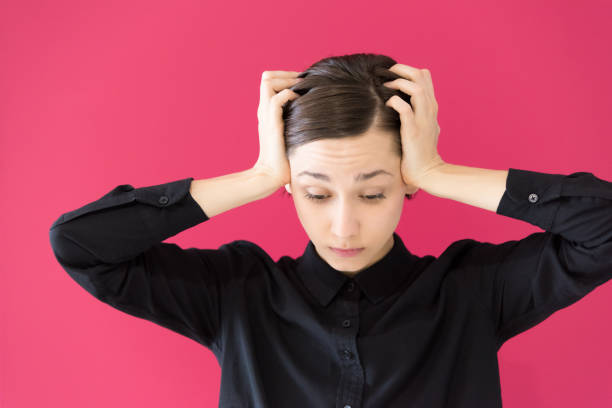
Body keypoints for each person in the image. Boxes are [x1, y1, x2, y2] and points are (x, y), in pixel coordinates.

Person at [49, 53, 612, 408]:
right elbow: (81, 245)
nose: (344, 225)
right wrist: (259, 175)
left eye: (373, 192)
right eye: (317, 193)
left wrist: (440, 171)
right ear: (292, 185)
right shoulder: (235, 293)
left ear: (407, 183)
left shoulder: (473, 290)